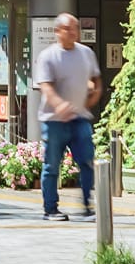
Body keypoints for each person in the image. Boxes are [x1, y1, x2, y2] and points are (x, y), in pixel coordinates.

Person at [34, 13, 102, 221]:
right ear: (57, 32)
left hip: (80, 118)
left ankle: (87, 206)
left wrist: (96, 92)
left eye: (76, 28)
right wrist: (59, 105)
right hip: (54, 120)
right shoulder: (48, 56)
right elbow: (45, 85)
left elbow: (95, 78)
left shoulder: (86, 53)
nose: (73, 32)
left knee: (87, 160)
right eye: (68, 28)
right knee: (52, 165)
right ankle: (50, 208)